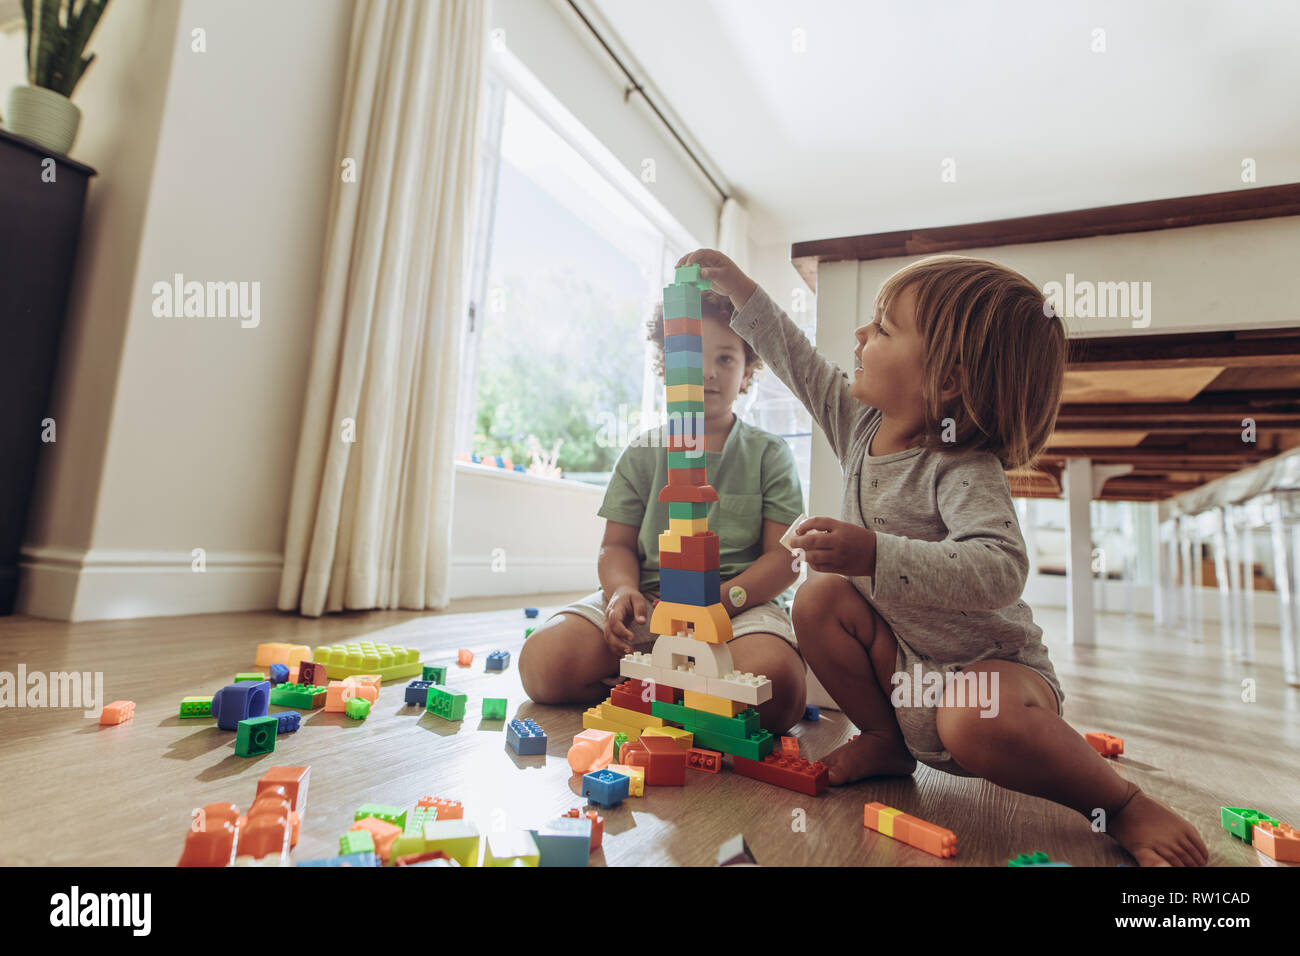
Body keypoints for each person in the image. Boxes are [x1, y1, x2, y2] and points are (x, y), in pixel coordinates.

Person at [674, 247, 1207, 867]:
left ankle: (1121, 805)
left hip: (996, 671)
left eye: (883, 329)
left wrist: (873, 551)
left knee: (971, 721)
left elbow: (1000, 569)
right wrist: (740, 287)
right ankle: (884, 740)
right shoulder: (860, 427)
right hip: (907, 664)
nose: (860, 335)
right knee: (819, 595)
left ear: (946, 379)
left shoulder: (963, 467)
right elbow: (797, 360)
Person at [519, 288, 809, 735]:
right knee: (542, 663)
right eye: (690, 358)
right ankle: (667, 693)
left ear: (748, 370)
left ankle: (660, 692)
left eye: (726, 359)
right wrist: (621, 592)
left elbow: (785, 559)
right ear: (665, 367)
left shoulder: (769, 454)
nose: (707, 373)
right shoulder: (641, 453)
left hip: (738, 609)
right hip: (646, 606)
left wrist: (727, 599)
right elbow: (615, 545)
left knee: (778, 688)